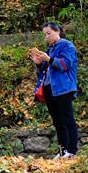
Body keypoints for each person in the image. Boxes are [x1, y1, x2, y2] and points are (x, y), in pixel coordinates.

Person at [29, 21, 79, 158]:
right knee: (57, 121)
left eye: (49, 33)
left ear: (57, 31)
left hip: (63, 88)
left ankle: (72, 150)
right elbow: (43, 73)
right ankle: (62, 150)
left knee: (68, 118)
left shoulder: (67, 45)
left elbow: (65, 64)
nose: (47, 37)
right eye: (45, 34)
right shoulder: (50, 50)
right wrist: (39, 64)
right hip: (49, 88)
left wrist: (49, 59)